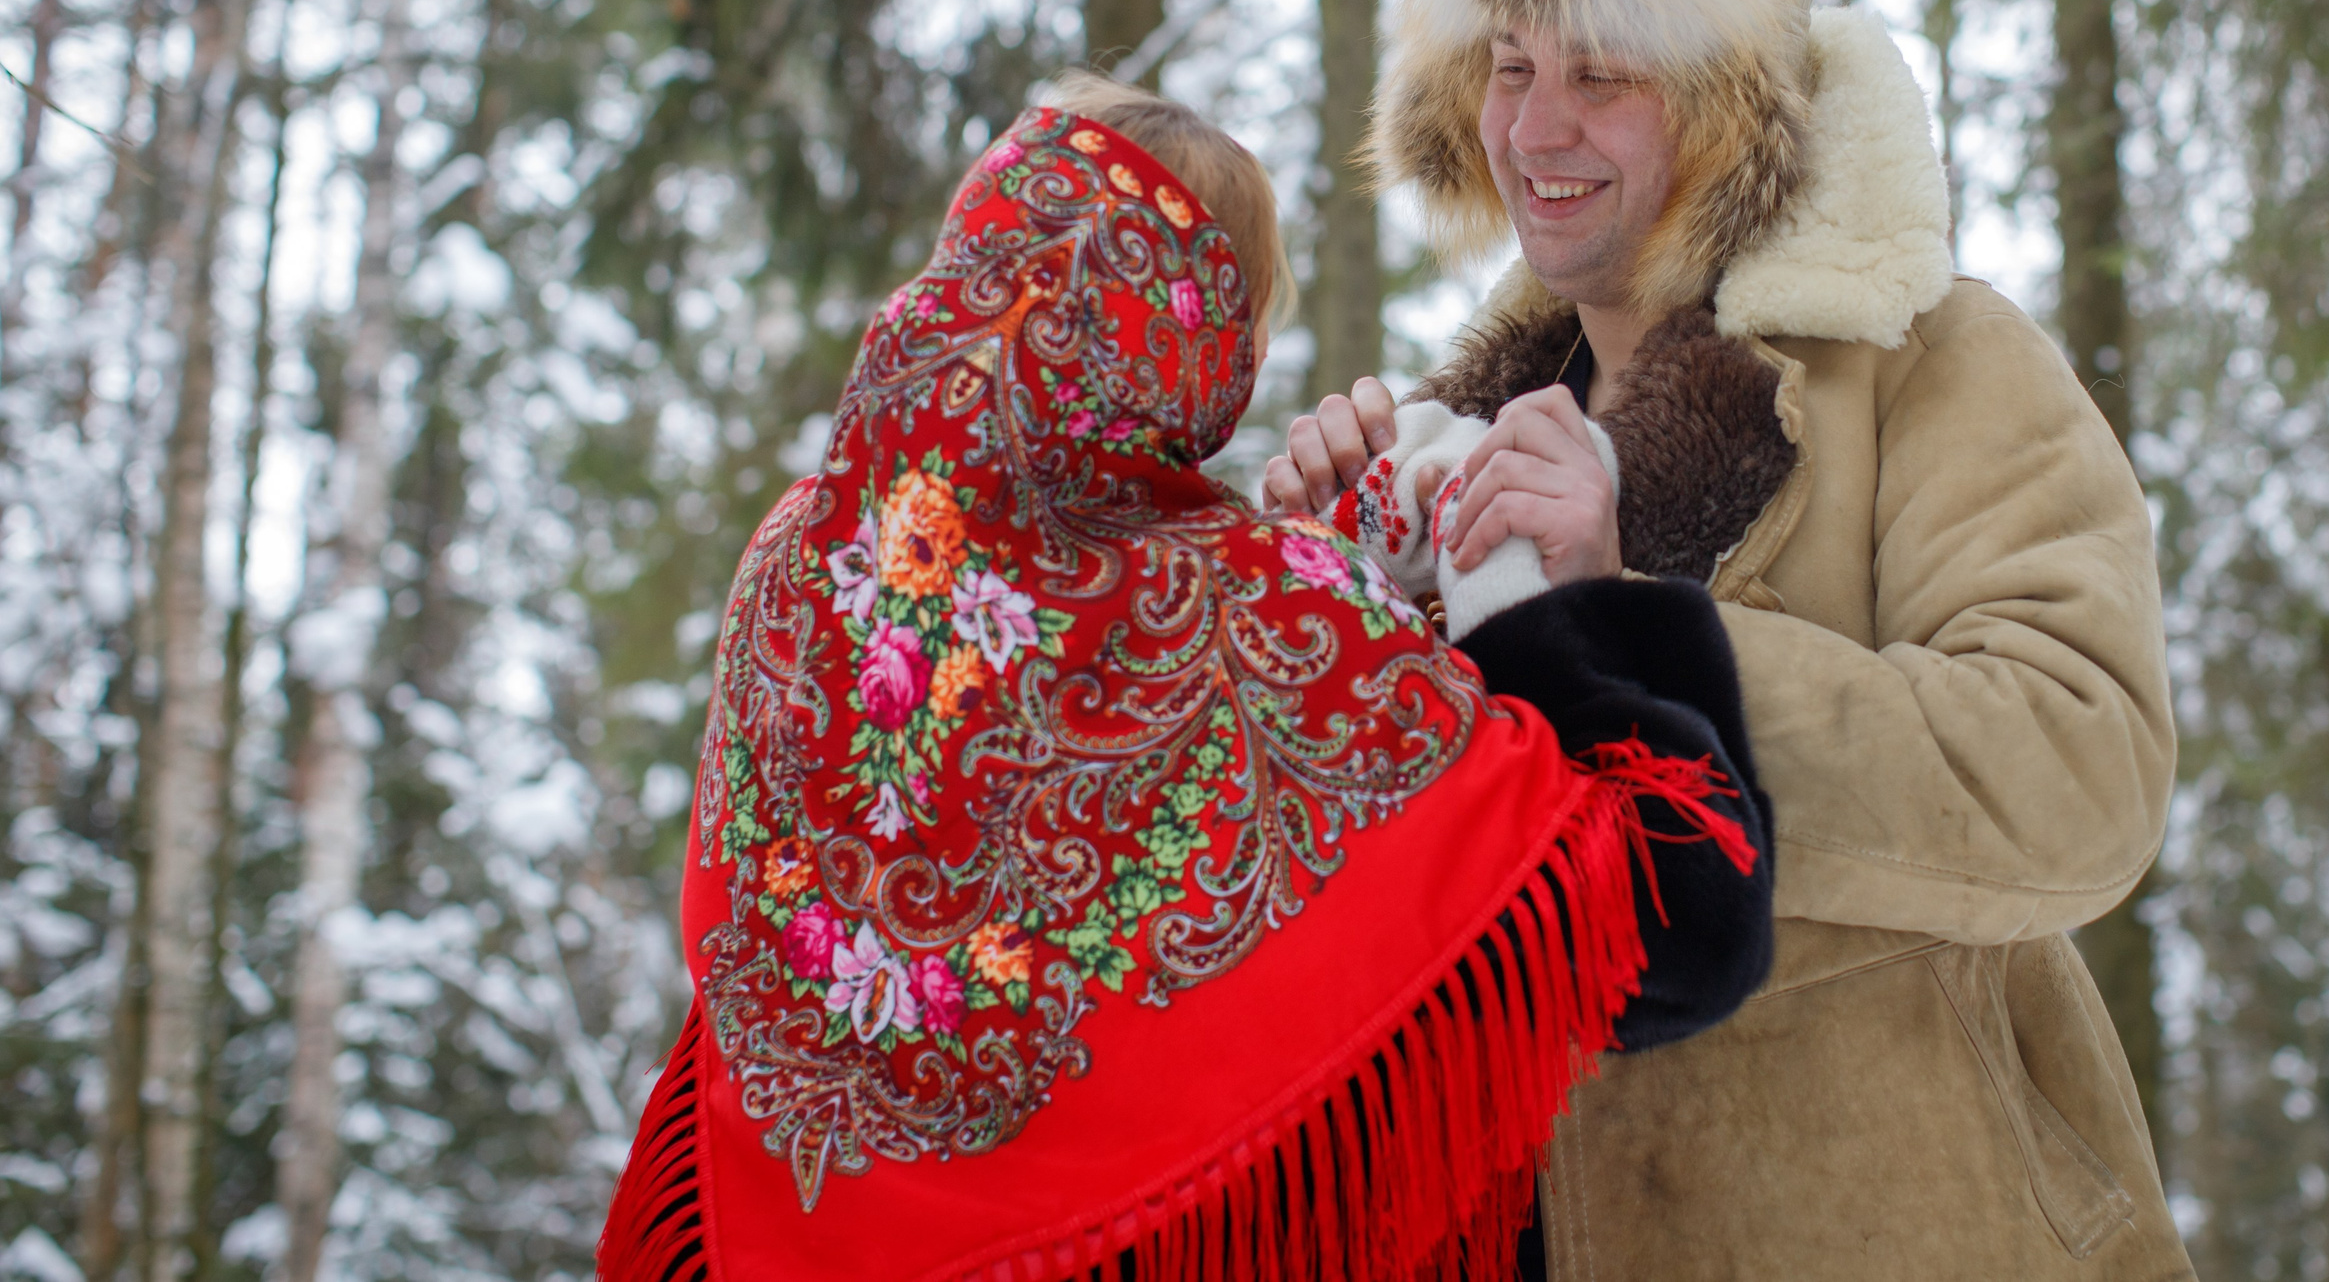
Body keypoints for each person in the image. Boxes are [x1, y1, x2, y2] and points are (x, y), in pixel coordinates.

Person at [596, 71, 1776, 1282]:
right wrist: (1539, 591)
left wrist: (1350, 574)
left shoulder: (800, 559)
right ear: (1201, 343)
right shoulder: (1255, 614)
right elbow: (1673, 913)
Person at [1266, 0, 2194, 1280]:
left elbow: (2084, 762)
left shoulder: (1932, 357)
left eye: (1602, 72)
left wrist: (1630, 620)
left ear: (1720, 106)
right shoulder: (1468, 443)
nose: (1536, 126)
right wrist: (1332, 593)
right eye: (1508, 65)